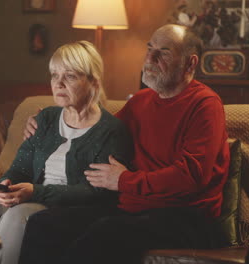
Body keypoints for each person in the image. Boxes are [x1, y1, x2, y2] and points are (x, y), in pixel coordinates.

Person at [19, 24, 230, 264]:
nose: (150, 58)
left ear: (190, 64)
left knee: (103, 237)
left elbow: (192, 175)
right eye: (149, 49)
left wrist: (124, 180)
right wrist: (46, 126)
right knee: (44, 224)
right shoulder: (141, 101)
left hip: (186, 216)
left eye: (164, 52)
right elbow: (96, 133)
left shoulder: (205, 105)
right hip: (132, 209)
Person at [0, 40, 134, 264]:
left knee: (18, 216)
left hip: (68, 207)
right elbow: (20, 167)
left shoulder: (110, 131)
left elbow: (94, 192)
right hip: (32, 194)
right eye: (54, 75)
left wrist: (35, 192)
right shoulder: (45, 118)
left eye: (69, 76)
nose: (58, 83)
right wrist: (7, 185)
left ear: (93, 82)